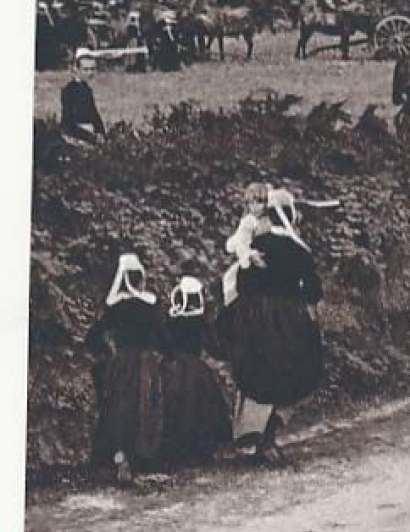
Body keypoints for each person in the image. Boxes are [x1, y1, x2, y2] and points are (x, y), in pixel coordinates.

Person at [216, 188, 325, 466]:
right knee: (294, 371)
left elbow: (242, 283)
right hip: (289, 319)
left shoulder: (257, 244)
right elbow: (313, 290)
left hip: (254, 318)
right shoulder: (299, 250)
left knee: (258, 372)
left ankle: (254, 435)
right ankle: (270, 431)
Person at [85, 253, 167, 486]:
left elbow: (92, 337)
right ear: (140, 278)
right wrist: (166, 354)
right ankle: (138, 459)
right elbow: (162, 335)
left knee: (118, 410)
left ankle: (120, 457)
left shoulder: (116, 307)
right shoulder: (150, 305)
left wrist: (108, 352)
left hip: (120, 365)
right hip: (145, 364)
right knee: (144, 410)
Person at [158, 276, 234, 468]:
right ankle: (200, 450)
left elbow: (162, 343)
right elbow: (214, 347)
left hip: (171, 368)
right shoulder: (200, 321)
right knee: (200, 408)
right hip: (196, 370)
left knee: (174, 408)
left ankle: (176, 451)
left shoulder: (170, 319)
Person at [59, 61, 107, 145]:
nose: (90, 73)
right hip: (75, 136)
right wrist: (91, 137)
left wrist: (100, 132)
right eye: (86, 69)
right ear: (76, 69)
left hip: (89, 134)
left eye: (92, 69)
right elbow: (68, 120)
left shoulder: (87, 90)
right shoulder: (69, 90)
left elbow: (94, 114)